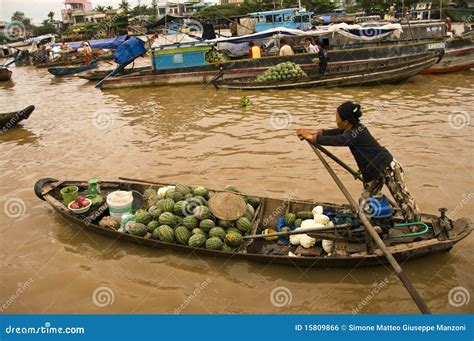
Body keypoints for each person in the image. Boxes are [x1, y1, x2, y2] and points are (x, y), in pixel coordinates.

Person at [296, 101, 421, 223]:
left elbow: (339, 140)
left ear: (346, 122)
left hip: (387, 167)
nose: (336, 121)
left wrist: (312, 138)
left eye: (337, 118)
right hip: (372, 173)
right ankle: (371, 228)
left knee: (403, 199)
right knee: (365, 203)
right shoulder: (350, 129)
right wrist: (310, 133)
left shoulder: (356, 132)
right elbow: (333, 132)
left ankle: (416, 227)